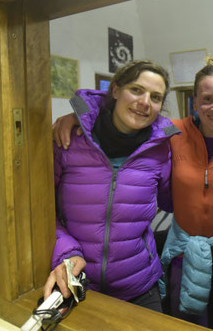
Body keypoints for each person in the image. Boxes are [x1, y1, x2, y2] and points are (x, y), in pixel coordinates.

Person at [44, 60, 179, 312]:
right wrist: (66, 252)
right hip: (80, 282)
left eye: (156, 97)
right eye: (137, 90)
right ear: (115, 90)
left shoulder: (161, 149)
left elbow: (171, 201)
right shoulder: (69, 140)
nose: (145, 102)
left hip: (140, 286)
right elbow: (42, 209)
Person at [158, 57, 213, 330]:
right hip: (183, 252)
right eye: (208, 99)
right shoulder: (172, 130)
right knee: (184, 324)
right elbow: (126, 112)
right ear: (194, 102)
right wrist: (73, 116)